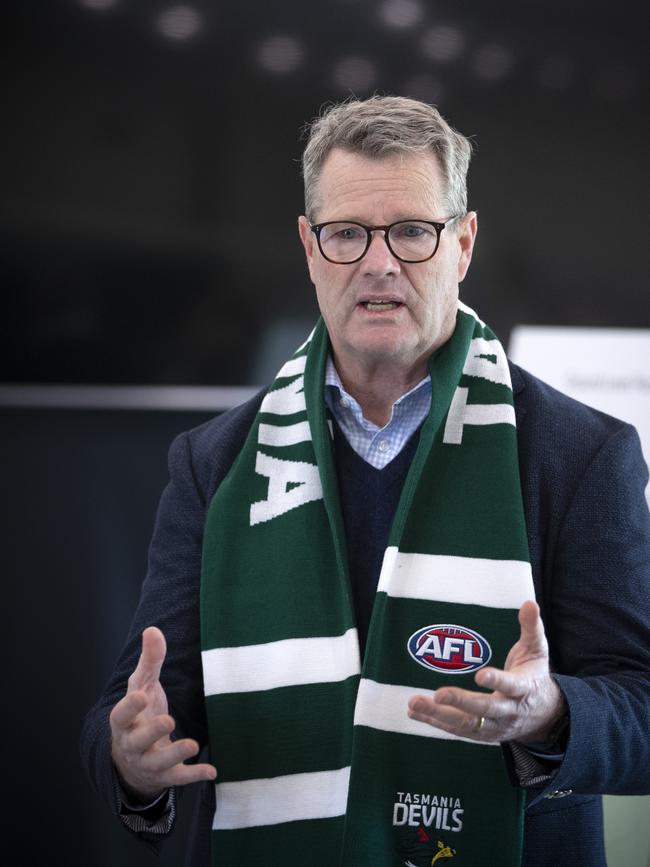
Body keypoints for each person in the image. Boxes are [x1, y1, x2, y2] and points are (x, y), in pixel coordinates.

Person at [81, 96, 650, 867]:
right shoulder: (212, 462)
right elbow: (134, 710)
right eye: (347, 233)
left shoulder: (584, 455)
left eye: (412, 231)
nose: (378, 263)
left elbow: (640, 710)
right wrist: (130, 759)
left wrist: (553, 714)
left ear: (464, 243)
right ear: (310, 248)